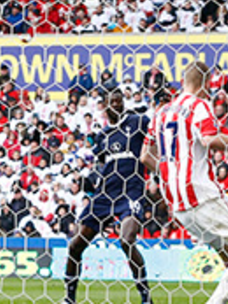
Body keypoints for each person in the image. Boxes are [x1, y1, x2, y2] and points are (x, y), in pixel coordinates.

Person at [140, 62, 228, 304]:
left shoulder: (161, 112)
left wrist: (170, 176)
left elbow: (145, 156)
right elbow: (209, 139)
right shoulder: (199, 105)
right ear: (205, 85)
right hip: (203, 194)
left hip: (178, 202)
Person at [64, 90, 153, 304]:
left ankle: (145, 297)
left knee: (126, 240)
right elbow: (104, 162)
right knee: (76, 244)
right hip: (106, 193)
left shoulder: (137, 121)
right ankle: (69, 298)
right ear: (104, 106)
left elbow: (154, 136)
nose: (116, 105)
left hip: (130, 190)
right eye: (112, 102)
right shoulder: (104, 135)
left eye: (119, 101)